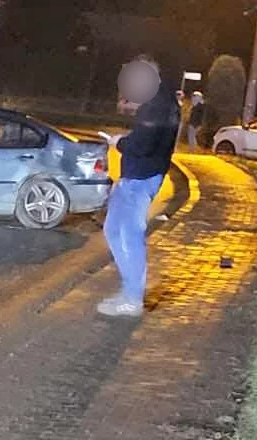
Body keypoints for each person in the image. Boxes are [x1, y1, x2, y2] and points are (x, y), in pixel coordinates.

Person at [99, 55, 180, 318]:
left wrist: (119, 142)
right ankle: (129, 290)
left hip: (139, 178)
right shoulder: (165, 102)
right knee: (114, 230)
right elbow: (151, 138)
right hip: (142, 176)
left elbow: (143, 145)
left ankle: (132, 298)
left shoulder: (155, 106)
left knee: (128, 235)